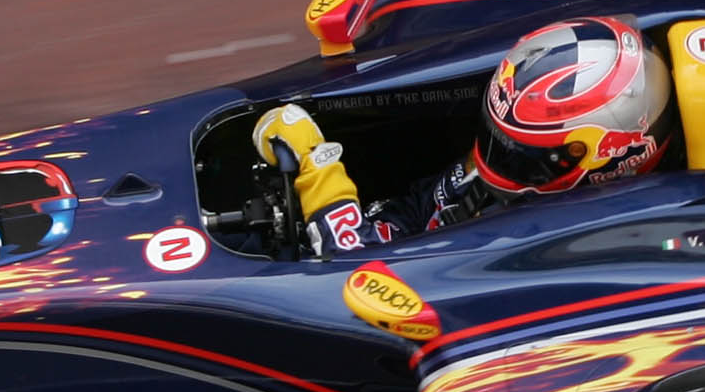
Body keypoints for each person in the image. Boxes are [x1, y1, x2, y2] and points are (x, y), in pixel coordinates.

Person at [251, 13, 670, 258]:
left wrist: (317, 165)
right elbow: (426, 202)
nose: (494, 159)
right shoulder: (513, 171)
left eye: (520, 153)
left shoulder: (540, 239)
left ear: (607, 159)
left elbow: (356, 270)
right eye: (495, 136)